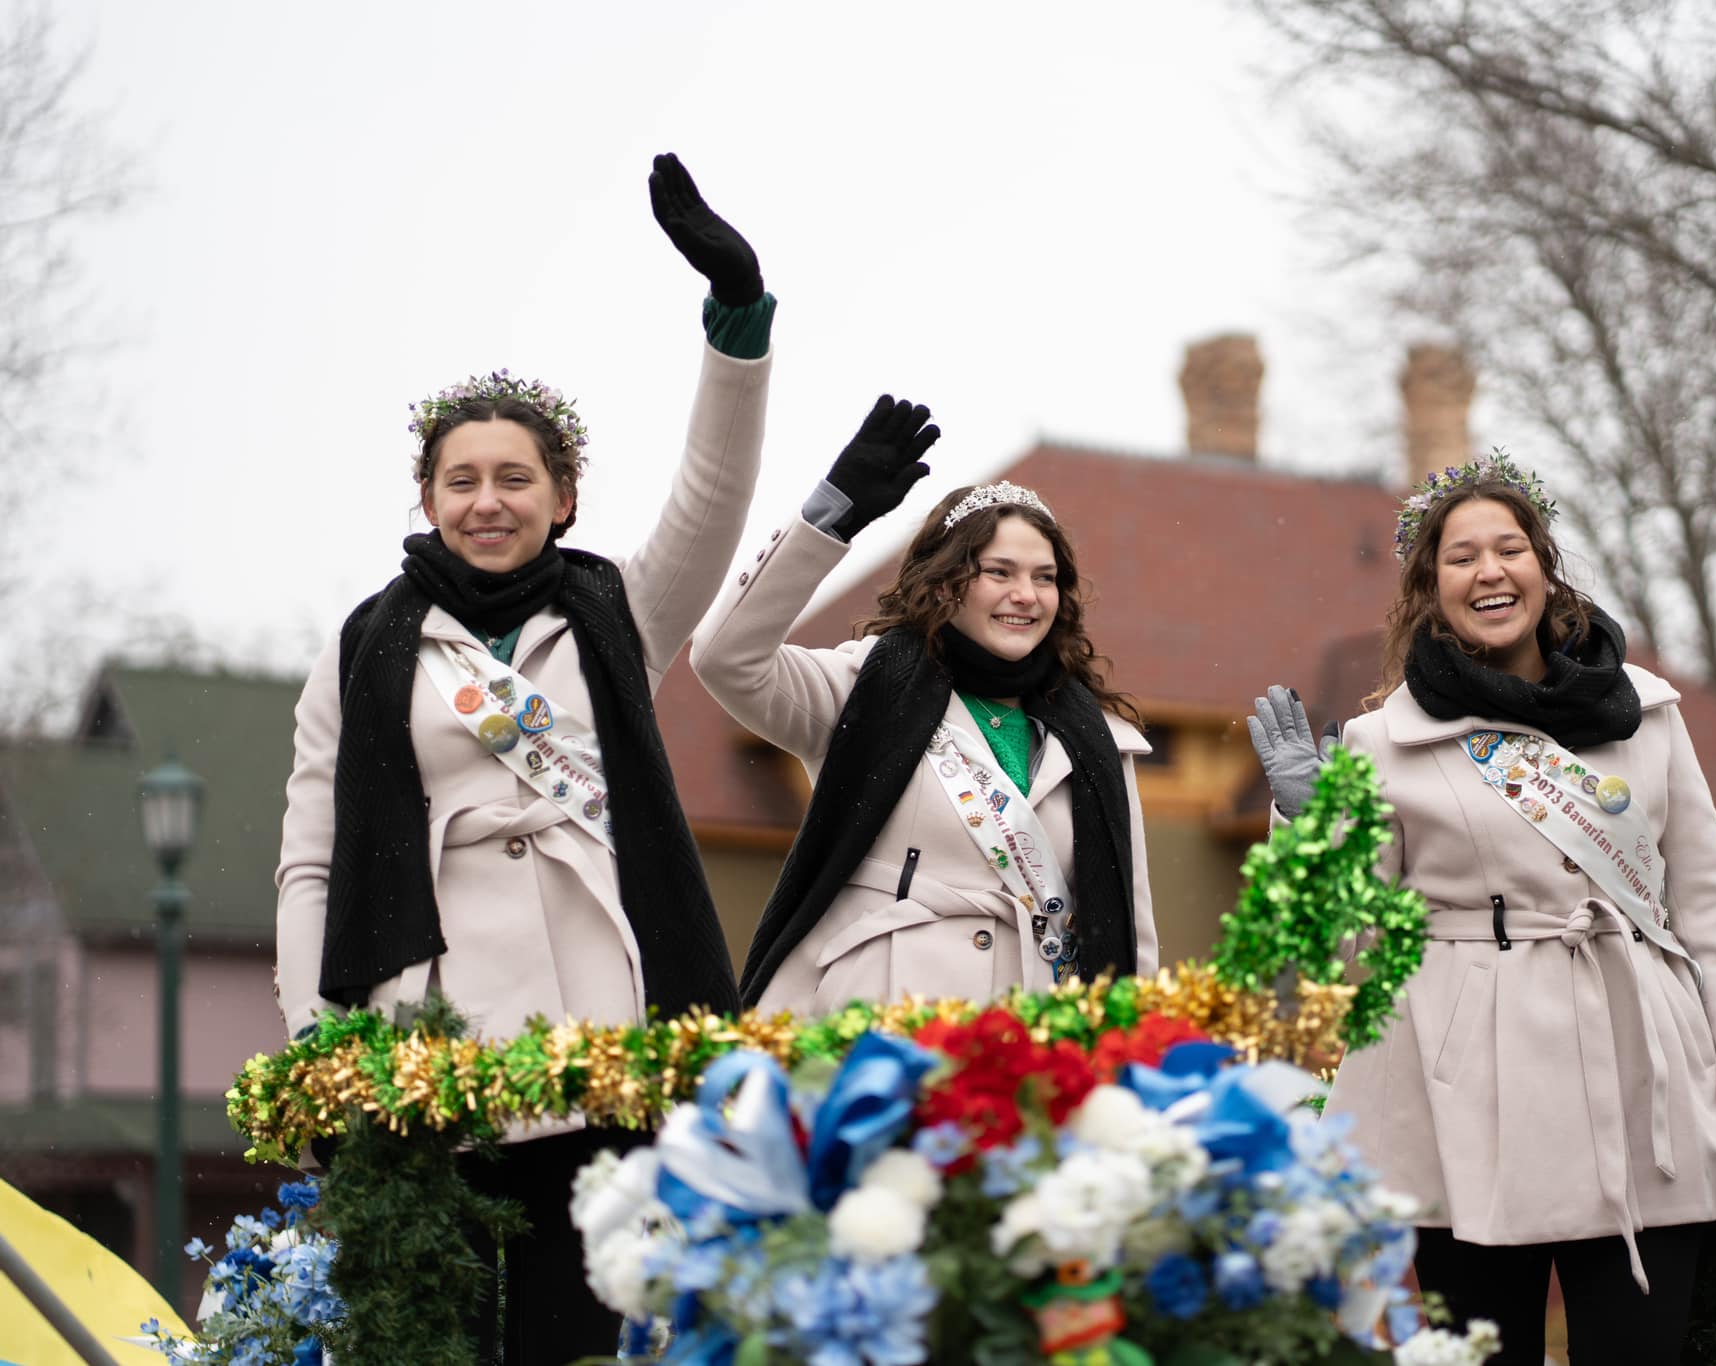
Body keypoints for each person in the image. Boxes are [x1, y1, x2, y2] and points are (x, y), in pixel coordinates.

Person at [273, 152, 771, 1363]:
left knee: (583, 1333)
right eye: (461, 479)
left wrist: (736, 320)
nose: (485, 500)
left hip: (595, 1028)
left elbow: (709, 502)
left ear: (563, 498)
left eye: (514, 478)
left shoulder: (619, 614)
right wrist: (316, 1043)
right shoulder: (365, 644)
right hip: (424, 1039)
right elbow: (307, 856)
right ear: (427, 496)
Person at [1248, 452, 1716, 1366]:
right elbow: (1358, 938)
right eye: (1460, 557)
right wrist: (1309, 829)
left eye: (1509, 549)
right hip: (1464, 1092)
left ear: (1544, 566)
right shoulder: (1385, 743)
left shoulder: (1648, 716)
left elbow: (1710, 913)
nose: (1489, 572)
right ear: (1430, 587)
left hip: (1641, 1070)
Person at [691, 405, 1158, 1014]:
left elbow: (1131, 921)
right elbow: (726, 656)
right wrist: (831, 516)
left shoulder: (1099, 739)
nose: (1026, 595)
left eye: (1045, 578)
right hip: (874, 1033)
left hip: (1030, 1049)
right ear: (945, 583)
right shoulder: (865, 688)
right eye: (999, 571)